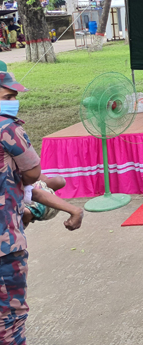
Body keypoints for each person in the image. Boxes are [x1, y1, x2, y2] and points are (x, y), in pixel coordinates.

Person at [0, 69, 41, 344]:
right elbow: (33, 173)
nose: (13, 101)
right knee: (10, 320)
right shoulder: (7, 128)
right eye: (7, 96)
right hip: (5, 245)